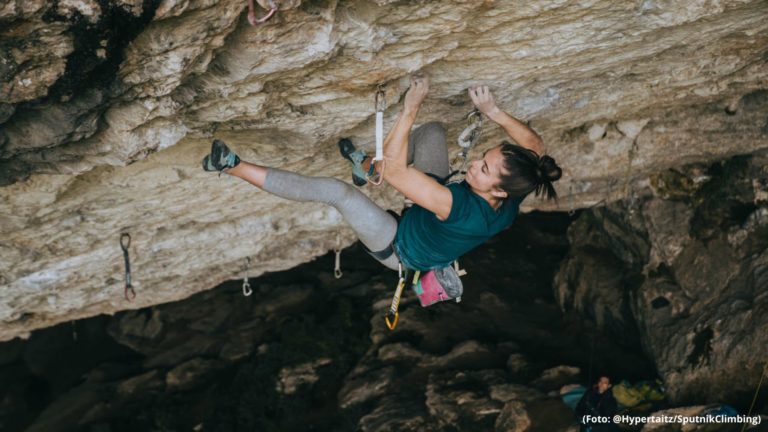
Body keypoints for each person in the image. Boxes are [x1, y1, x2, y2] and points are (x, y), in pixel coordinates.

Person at [201, 74, 562, 273]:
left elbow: (393, 170)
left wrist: (409, 109)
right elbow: (535, 145)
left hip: (401, 248)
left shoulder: (460, 209)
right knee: (432, 133)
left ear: (499, 192)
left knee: (338, 193)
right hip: (431, 216)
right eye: (482, 157)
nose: (473, 164)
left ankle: (230, 164)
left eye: (482, 169)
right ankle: (365, 168)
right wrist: (492, 110)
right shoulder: (518, 181)